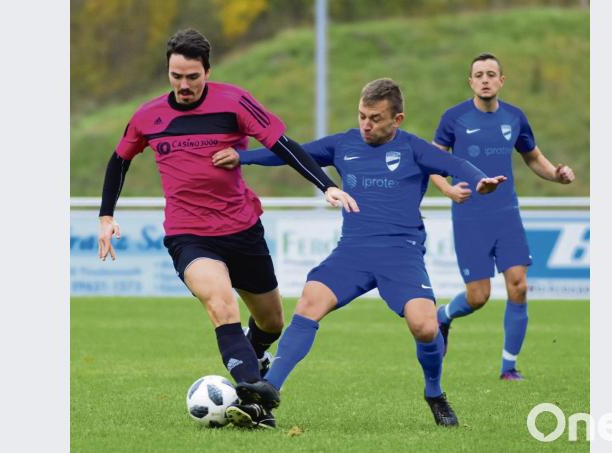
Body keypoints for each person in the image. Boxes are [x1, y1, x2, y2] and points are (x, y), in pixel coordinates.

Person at [96, 29, 358, 429]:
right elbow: (119, 160)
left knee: (271, 321)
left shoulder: (233, 101)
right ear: (168, 71)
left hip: (242, 229)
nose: (183, 85)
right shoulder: (148, 116)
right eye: (175, 76)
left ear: (208, 71)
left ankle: (253, 363)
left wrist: (327, 185)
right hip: (189, 234)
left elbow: (281, 144)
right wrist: (106, 215)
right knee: (221, 304)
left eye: (192, 77)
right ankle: (252, 388)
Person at [222, 78, 506, 428]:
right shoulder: (344, 143)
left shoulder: (413, 148)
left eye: (375, 118)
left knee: (426, 327)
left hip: (400, 255)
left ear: (397, 120)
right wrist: (243, 157)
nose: (366, 124)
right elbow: (292, 152)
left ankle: (434, 392)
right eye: (361, 115)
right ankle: (267, 393)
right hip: (352, 253)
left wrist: (480, 180)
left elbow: (457, 165)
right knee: (310, 300)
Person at [430, 53, 575, 381]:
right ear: (471, 82)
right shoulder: (454, 118)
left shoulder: (515, 117)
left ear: (501, 81)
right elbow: (432, 162)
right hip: (470, 217)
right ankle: (444, 316)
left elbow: (533, 157)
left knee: (519, 286)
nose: (485, 79)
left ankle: (509, 367)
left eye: (491, 74)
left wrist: (557, 175)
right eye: (478, 74)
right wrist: (450, 191)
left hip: (506, 215)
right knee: (478, 297)